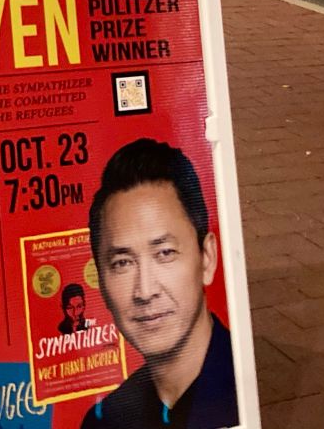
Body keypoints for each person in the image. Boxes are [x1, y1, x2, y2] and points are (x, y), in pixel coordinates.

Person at [82, 138, 238, 429]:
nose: (145, 290)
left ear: (207, 258)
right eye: (122, 263)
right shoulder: (105, 420)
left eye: (165, 253)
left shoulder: (244, 390)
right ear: (101, 281)